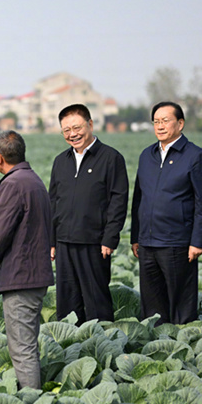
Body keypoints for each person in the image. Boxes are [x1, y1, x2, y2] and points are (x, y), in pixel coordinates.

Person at [131, 101, 202, 325]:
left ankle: (184, 343)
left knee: (181, 303)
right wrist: (135, 236)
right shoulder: (146, 155)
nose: (160, 126)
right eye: (156, 122)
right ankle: (155, 344)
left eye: (165, 121)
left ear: (180, 123)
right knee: (151, 304)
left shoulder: (195, 156)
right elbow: (139, 198)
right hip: (147, 243)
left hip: (177, 241)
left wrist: (197, 242)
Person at [0, 131, 54, 389]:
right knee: (28, 345)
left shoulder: (12, 184)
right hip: (36, 276)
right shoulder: (34, 180)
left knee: (22, 350)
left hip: (19, 278)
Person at [48, 104, 128, 325]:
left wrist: (110, 237)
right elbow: (52, 202)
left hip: (94, 242)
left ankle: (101, 345)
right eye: (66, 130)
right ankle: (70, 346)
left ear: (90, 124)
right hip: (64, 241)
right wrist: (51, 239)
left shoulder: (111, 158)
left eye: (77, 127)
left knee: (96, 300)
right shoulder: (60, 161)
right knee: (66, 300)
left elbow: (118, 201)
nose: (72, 134)